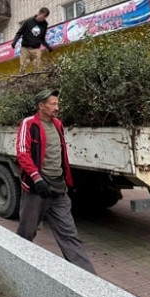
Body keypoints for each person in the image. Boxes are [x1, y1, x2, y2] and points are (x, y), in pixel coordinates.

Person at [14, 89, 96, 274]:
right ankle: (17, 266)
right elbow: (22, 152)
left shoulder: (57, 124)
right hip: (37, 190)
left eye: (57, 104)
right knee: (27, 232)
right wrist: (37, 178)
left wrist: (66, 179)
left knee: (69, 234)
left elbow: (60, 154)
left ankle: (89, 278)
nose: (57, 108)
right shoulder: (29, 123)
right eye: (53, 104)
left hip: (58, 188)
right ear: (41, 105)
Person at [12, 7, 53, 74]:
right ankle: (21, 78)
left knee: (37, 65)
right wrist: (14, 42)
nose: (43, 19)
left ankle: (36, 78)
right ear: (39, 13)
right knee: (24, 66)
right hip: (25, 48)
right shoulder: (28, 21)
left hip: (36, 49)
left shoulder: (44, 24)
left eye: (45, 18)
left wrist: (48, 47)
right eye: (42, 17)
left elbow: (42, 38)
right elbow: (19, 33)